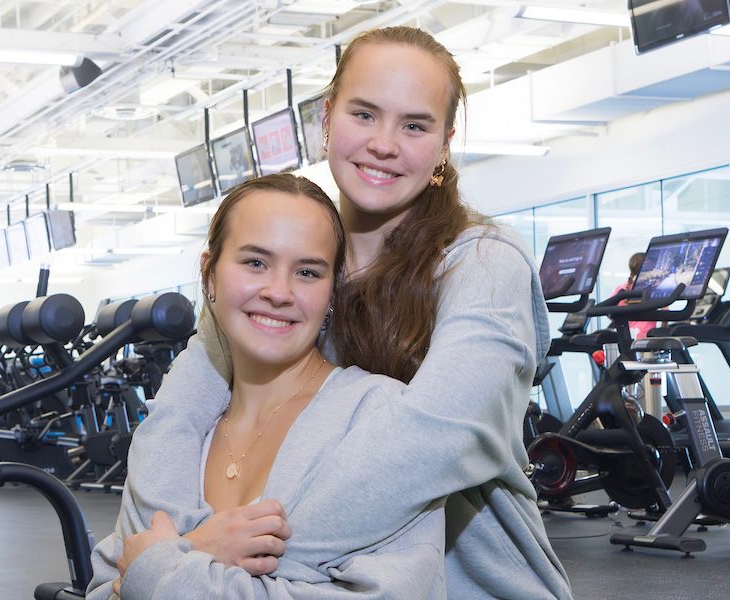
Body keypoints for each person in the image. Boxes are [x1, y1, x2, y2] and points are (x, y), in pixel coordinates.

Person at [112, 26, 571, 600]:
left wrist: (206, 560)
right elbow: (177, 419)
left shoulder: (481, 262)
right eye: (364, 113)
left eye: (414, 125)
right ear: (327, 118)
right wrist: (186, 550)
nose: (384, 143)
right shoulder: (299, 254)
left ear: (445, 143)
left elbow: (436, 440)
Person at [88, 174, 446, 598]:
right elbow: (105, 585)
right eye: (255, 262)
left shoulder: (376, 416)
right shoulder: (177, 438)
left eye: (308, 272)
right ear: (210, 277)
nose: (279, 292)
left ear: (332, 292)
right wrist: (198, 549)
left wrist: (168, 566)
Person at [612, 252, 660, 339]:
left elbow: (609, 312)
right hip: (645, 335)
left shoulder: (620, 288)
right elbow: (665, 310)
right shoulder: (652, 287)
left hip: (624, 335)